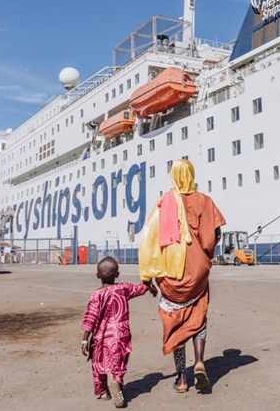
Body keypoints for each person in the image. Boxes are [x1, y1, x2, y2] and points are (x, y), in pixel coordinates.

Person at [138, 159, 226, 393]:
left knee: (176, 322)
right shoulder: (205, 201)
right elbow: (214, 236)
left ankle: (181, 378)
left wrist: (148, 276)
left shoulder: (164, 201)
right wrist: (204, 256)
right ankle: (199, 361)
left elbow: (149, 239)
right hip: (197, 273)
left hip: (170, 276)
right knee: (198, 315)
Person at [81, 256, 157, 407]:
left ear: (97, 275)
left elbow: (90, 318)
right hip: (121, 334)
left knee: (98, 363)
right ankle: (117, 382)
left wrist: (85, 339)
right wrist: (148, 283)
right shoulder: (123, 288)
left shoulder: (96, 295)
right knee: (119, 362)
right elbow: (139, 289)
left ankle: (103, 391)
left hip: (101, 337)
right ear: (117, 275)